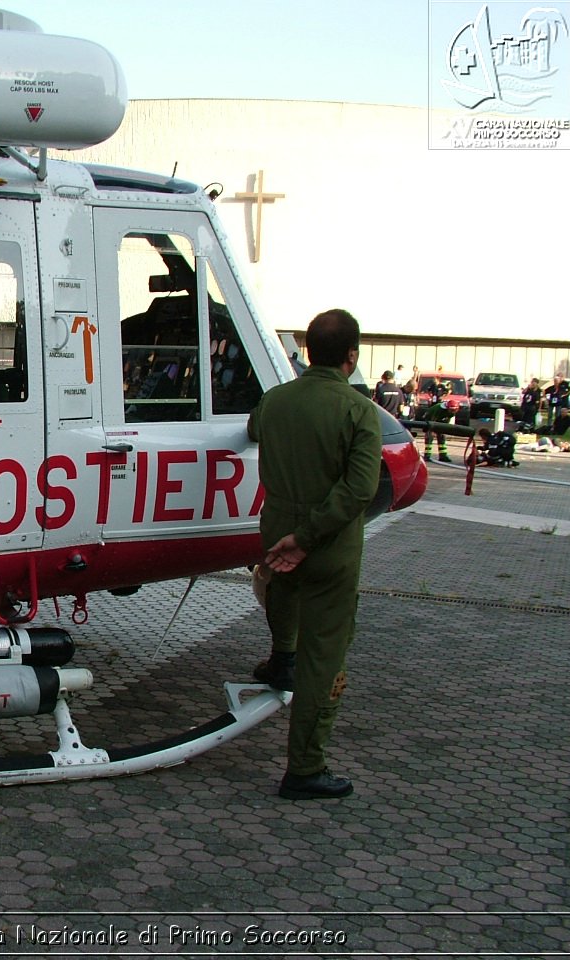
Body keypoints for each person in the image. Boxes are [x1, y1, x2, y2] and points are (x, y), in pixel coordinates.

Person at [246, 308, 381, 800]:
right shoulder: (358, 410)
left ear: (304, 352)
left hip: (276, 533)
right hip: (328, 549)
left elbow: (255, 426)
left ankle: (281, 656)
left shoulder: (276, 401)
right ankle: (305, 766)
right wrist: (309, 538)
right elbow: (360, 489)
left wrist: (292, 537)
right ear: (352, 355)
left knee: (282, 596)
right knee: (323, 657)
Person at [422, 378, 453, 463]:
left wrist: (443, 428)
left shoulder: (451, 410)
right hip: (430, 419)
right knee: (430, 437)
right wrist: (431, 429)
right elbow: (432, 418)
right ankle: (427, 455)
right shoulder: (438, 409)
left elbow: (447, 419)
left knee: (442, 437)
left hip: (439, 420)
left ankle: (443, 455)